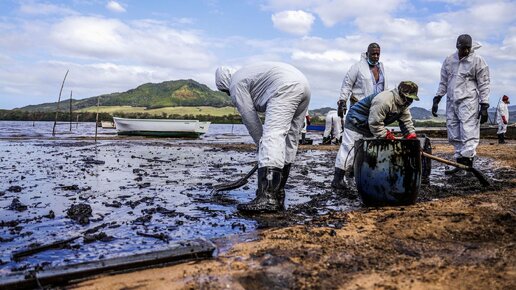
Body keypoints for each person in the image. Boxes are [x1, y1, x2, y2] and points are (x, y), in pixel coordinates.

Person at [215, 62, 311, 213]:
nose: (228, 94)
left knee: (272, 136)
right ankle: (278, 192)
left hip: (285, 86)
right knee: (290, 139)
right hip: (304, 85)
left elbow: (250, 118)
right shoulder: (247, 73)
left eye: (225, 91)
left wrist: (263, 146)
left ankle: (267, 197)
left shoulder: (235, 83)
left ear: (224, 84)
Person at [332, 81, 419, 189]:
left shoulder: (403, 106)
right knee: (349, 150)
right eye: (408, 98)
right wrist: (385, 135)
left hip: (368, 126)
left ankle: (352, 179)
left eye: (412, 99)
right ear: (401, 94)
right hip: (356, 121)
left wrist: (411, 136)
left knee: (363, 153)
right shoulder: (384, 100)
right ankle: (337, 180)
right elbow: (375, 123)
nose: (410, 101)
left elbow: (406, 122)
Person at [432, 34, 490, 174]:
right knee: (454, 131)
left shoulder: (477, 61)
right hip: (452, 101)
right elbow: (444, 81)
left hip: (468, 100)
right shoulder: (449, 60)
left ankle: (467, 162)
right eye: (462, 48)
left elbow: (484, 83)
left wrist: (484, 105)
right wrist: (437, 97)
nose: (465, 51)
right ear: (457, 46)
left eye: (467, 48)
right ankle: (459, 164)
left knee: (468, 130)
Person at [337, 43, 388, 118]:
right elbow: (347, 85)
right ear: (367, 54)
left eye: (378, 54)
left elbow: (385, 89)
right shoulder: (357, 67)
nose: (376, 56)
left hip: (376, 109)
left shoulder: (381, 69)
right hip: (359, 108)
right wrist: (342, 101)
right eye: (373, 54)